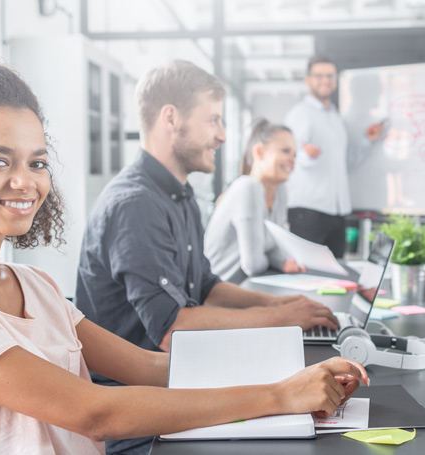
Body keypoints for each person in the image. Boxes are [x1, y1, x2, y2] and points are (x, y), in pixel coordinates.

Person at [0, 49, 368, 455]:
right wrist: (280, 396)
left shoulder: (34, 286)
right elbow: (95, 412)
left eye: (36, 162)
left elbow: (149, 367)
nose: (25, 181)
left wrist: (288, 368)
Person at [74, 60, 344, 454]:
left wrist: (281, 305)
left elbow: (207, 287)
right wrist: (278, 319)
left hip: (180, 384)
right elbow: (173, 330)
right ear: (171, 118)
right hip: (141, 418)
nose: (221, 135)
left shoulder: (181, 196)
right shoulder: (136, 205)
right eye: (213, 120)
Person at [283, 55, 384, 258]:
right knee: (307, 276)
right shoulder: (300, 113)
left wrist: (367, 141)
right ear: (307, 80)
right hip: (308, 212)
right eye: (319, 75)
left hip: (337, 213)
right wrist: (307, 156)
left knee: (335, 278)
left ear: (336, 80)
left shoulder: (335, 118)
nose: (325, 80)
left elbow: (345, 163)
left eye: (330, 75)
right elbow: (287, 159)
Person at [205, 119, 306, 283]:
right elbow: (252, 264)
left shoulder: (280, 190)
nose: (292, 159)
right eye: (286, 151)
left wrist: (282, 262)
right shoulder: (248, 187)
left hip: (251, 285)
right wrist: (275, 259)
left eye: (295, 154)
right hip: (222, 292)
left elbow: (276, 247)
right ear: (259, 152)